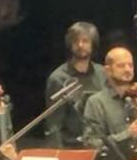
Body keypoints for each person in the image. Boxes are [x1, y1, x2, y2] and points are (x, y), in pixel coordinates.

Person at [81, 47, 137, 160]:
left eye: (130, 65)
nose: (128, 69)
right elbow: (92, 146)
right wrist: (128, 134)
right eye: (121, 66)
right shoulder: (96, 102)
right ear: (107, 70)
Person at [44, 22, 107, 151]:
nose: (80, 45)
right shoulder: (58, 78)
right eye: (76, 41)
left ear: (93, 44)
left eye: (85, 41)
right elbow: (54, 125)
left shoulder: (103, 74)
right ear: (70, 44)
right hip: (72, 147)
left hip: (101, 146)